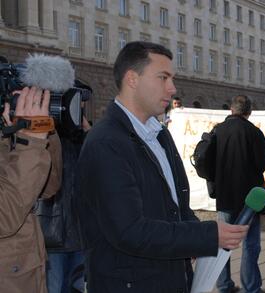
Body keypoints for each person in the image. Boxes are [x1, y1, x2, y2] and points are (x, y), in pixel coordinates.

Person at [75, 41, 248, 293]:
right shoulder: (105, 142)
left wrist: (197, 238)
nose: (172, 88)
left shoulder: (159, 134)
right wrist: (207, 236)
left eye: (172, 78)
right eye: (163, 78)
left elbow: (176, 206)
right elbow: (129, 231)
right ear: (132, 79)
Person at [0, 87, 62, 293]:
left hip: (27, 276)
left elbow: (46, 188)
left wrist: (43, 128)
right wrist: (32, 142)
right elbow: (5, 215)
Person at [214, 95, 265, 293]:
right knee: (250, 244)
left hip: (224, 195)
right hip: (250, 199)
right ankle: (251, 288)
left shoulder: (217, 130)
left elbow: (207, 163)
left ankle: (223, 285)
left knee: (222, 243)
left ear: (231, 109)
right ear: (248, 112)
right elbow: (264, 164)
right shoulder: (254, 132)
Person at [42, 80, 93, 293]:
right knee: (54, 288)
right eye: (77, 102)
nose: (80, 108)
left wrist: (89, 134)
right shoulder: (47, 138)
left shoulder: (84, 138)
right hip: (53, 234)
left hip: (81, 234)